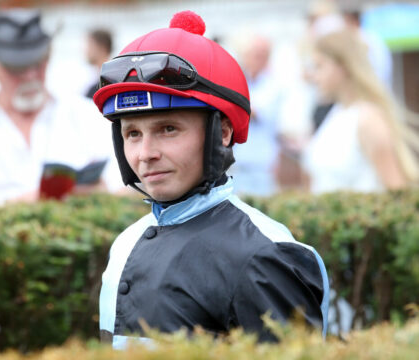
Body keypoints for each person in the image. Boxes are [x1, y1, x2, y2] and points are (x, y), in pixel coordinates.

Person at [94, 11, 329, 349]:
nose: (145, 153)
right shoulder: (125, 243)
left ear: (222, 132)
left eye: (167, 129)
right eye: (132, 133)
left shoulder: (266, 254)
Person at [0, 8, 123, 206]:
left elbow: (127, 188)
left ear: (48, 59)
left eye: (37, 64)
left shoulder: (88, 116)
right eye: (16, 68)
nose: (30, 76)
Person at [302, 29, 419, 193]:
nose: (314, 76)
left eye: (320, 66)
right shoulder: (337, 112)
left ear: (343, 66)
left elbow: (397, 192)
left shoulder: (368, 120)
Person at [229, 35, 282, 196]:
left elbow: (253, 111)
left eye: (261, 55)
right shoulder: (238, 81)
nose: (256, 60)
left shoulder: (273, 85)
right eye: (253, 55)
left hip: (262, 169)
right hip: (236, 167)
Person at [83, 29, 113, 99]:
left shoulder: (111, 83)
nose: (86, 50)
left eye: (90, 46)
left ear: (102, 48)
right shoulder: (94, 84)